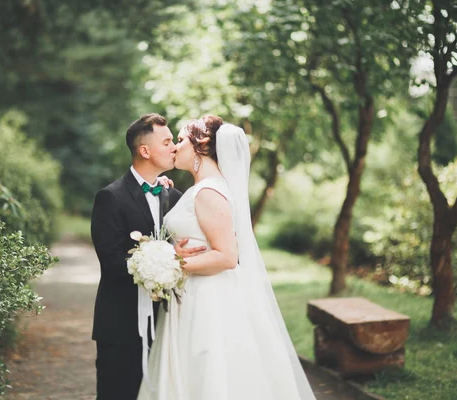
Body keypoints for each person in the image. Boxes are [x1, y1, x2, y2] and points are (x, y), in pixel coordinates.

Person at [138, 116, 316, 399]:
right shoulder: (200, 189)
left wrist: (171, 265)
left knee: (209, 374)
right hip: (191, 295)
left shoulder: (210, 192)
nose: (176, 147)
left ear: (201, 146)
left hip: (208, 300)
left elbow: (226, 256)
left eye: (181, 140)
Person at [90, 113, 204, 400]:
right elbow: (113, 262)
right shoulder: (110, 197)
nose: (174, 147)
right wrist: (168, 259)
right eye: (166, 142)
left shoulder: (173, 197)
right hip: (120, 323)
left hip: (167, 322)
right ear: (145, 150)